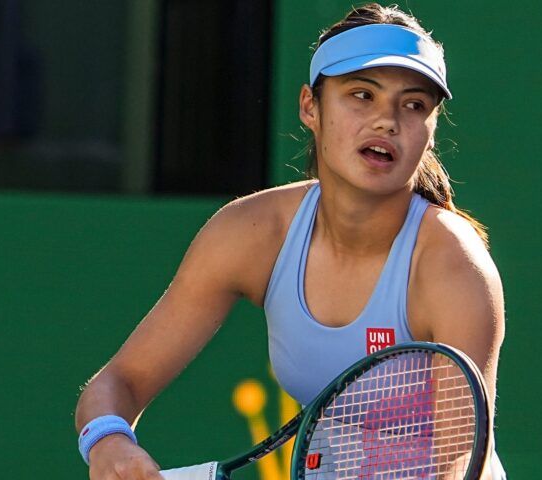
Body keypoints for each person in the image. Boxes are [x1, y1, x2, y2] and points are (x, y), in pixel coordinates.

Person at [75, 3, 506, 479]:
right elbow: (120, 381)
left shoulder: (454, 264)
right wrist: (109, 442)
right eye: (362, 94)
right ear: (310, 107)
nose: (387, 121)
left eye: (414, 105)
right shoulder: (251, 233)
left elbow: (460, 462)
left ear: (431, 131)